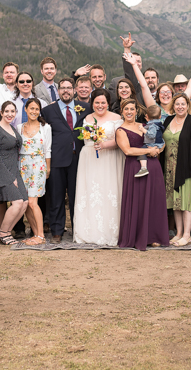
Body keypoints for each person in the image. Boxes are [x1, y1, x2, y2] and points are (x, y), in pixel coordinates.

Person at [116, 98, 171, 251]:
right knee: (139, 201)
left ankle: (154, 236)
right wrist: (149, 150)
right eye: (126, 109)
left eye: (132, 109)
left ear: (136, 111)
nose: (129, 112)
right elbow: (128, 150)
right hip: (135, 168)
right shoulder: (120, 131)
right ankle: (137, 237)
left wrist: (158, 149)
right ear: (122, 111)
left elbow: (160, 141)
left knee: (154, 201)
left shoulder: (144, 126)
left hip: (153, 166)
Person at [72, 89, 124, 245]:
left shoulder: (116, 118)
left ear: (108, 103)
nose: (100, 106)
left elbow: (120, 141)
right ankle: (88, 232)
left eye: (103, 102)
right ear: (92, 103)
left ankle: (110, 232)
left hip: (109, 158)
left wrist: (104, 144)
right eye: (97, 102)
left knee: (109, 192)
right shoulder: (87, 118)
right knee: (89, 193)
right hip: (89, 158)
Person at [41, 77, 88, 243]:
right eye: (63, 88)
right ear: (58, 90)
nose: (66, 90)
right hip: (56, 160)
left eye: (69, 88)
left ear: (74, 90)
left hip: (79, 160)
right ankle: (56, 231)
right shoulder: (47, 111)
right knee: (56, 197)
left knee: (78, 196)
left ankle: (78, 230)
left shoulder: (85, 108)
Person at [161, 92, 191, 246]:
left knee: (187, 202)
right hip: (169, 167)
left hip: (186, 167)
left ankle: (187, 235)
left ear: (188, 106)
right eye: (177, 104)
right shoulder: (168, 120)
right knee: (175, 202)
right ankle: (178, 233)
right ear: (173, 105)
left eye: (183, 104)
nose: (180, 107)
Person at [0, 101, 28, 245]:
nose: (10, 114)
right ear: (1, 112)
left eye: (12, 111)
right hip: (1, 170)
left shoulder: (12, 128)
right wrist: (9, 177)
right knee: (17, 203)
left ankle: (7, 231)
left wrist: (15, 174)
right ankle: (2, 232)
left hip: (14, 169)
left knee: (25, 202)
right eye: (7, 111)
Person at [18, 98, 51, 246]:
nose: (34, 111)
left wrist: (48, 168)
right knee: (25, 203)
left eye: (37, 109)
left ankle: (41, 235)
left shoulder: (45, 128)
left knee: (33, 201)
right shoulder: (19, 127)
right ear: (25, 109)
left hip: (38, 165)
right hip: (22, 166)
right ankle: (35, 233)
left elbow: (47, 150)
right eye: (31, 108)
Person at [136, 103, 164, 177]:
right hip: (159, 143)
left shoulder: (153, 125)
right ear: (160, 116)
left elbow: (151, 135)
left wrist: (143, 130)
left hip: (153, 144)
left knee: (141, 151)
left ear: (147, 116)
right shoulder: (158, 123)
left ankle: (143, 168)